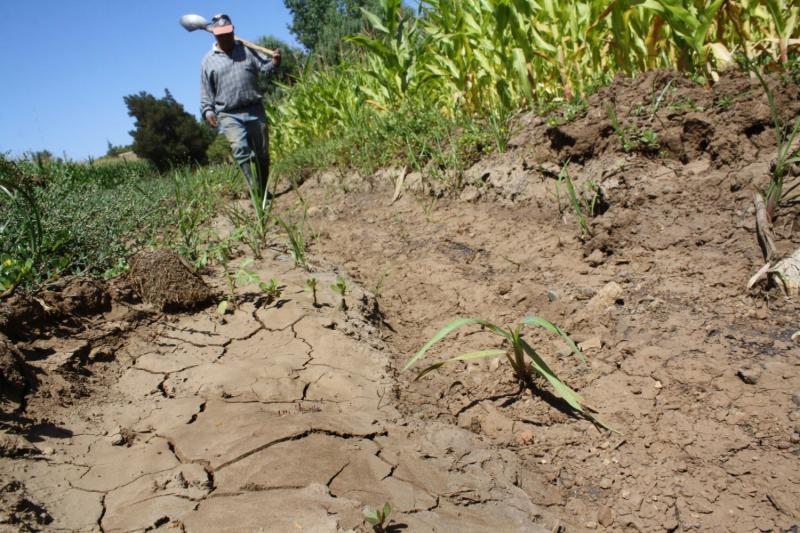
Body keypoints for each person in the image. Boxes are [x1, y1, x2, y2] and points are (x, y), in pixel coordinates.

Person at [200, 14, 281, 201]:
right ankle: (254, 190)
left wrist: (275, 63)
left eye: (227, 33)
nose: (225, 37)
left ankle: (263, 189)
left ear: (233, 31)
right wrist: (208, 110)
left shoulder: (247, 51)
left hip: (254, 109)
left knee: (262, 153)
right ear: (214, 35)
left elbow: (265, 68)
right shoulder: (208, 60)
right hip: (228, 113)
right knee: (240, 149)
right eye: (220, 34)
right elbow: (206, 90)